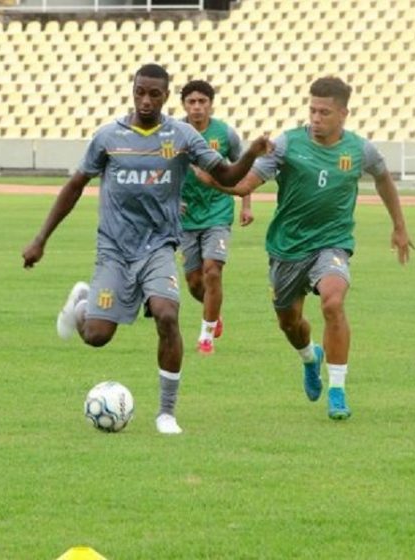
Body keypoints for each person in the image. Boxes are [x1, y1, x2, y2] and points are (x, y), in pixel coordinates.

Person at [21, 63, 272, 435]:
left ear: (166, 96)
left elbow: (228, 176)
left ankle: (166, 413)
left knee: (167, 314)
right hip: (115, 250)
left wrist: (250, 153)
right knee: (97, 338)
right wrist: (41, 239)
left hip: (158, 247)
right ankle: (82, 305)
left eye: (155, 93)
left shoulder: (182, 136)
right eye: (141, 91)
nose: (146, 100)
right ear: (133, 90)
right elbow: (75, 186)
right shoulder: (109, 137)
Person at [208, 76, 413, 420]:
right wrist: (214, 181)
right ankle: (309, 357)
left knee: (333, 302)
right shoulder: (287, 144)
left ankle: (337, 391)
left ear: (343, 113)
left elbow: (383, 178)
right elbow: (245, 183)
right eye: (312, 110)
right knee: (291, 324)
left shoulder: (359, 150)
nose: (316, 118)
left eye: (325, 112)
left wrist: (400, 226)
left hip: (332, 243)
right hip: (286, 248)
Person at [178, 79, 253, 355]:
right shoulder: (174, 132)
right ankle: (214, 313)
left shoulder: (225, 134)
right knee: (195, 283)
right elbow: (161, 171)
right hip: (186, 216)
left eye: (202, 101)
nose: (197, 107)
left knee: (213, 270)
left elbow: (242, 168)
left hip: (218, 210)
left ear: (211, 103)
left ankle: (205, 336)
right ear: (184, 105)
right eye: (191, 102)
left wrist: (246, 204)